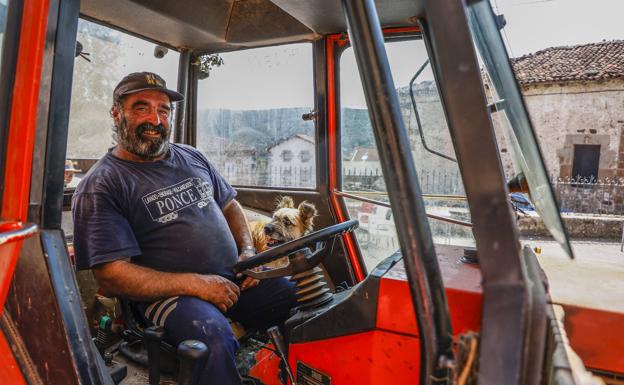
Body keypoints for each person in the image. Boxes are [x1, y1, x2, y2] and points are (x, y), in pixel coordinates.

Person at [72, 72, 297, 385]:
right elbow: (111, 274)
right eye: (141, 108)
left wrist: (247, 252)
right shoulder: (103, 184)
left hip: (230, 279)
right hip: (169, 296)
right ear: (116, 112)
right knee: (212, 341)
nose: (155, 119)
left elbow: (230, 205)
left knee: (292, 294)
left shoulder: (192, 156)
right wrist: (197, 284)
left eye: (163, 110)